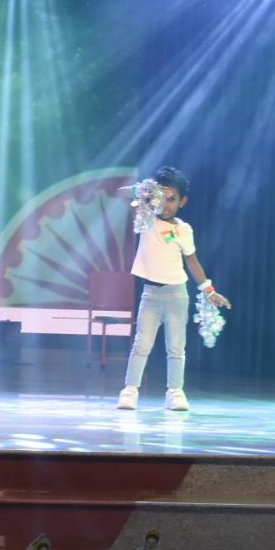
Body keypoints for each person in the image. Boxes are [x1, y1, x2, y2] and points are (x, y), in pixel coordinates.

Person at [117, 167, 230, 412]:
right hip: (150, 294)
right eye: (161, 197)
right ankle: (130, 390)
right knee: (141, 345)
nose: (165, 204)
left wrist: (210, 291)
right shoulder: (147, 218)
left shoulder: (184, 230)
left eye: (172, 199)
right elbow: (123, 193)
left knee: (176, 347)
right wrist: (145, 191)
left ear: (182, 201)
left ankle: (175, 392)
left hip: (177, 295)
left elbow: (192, 262)